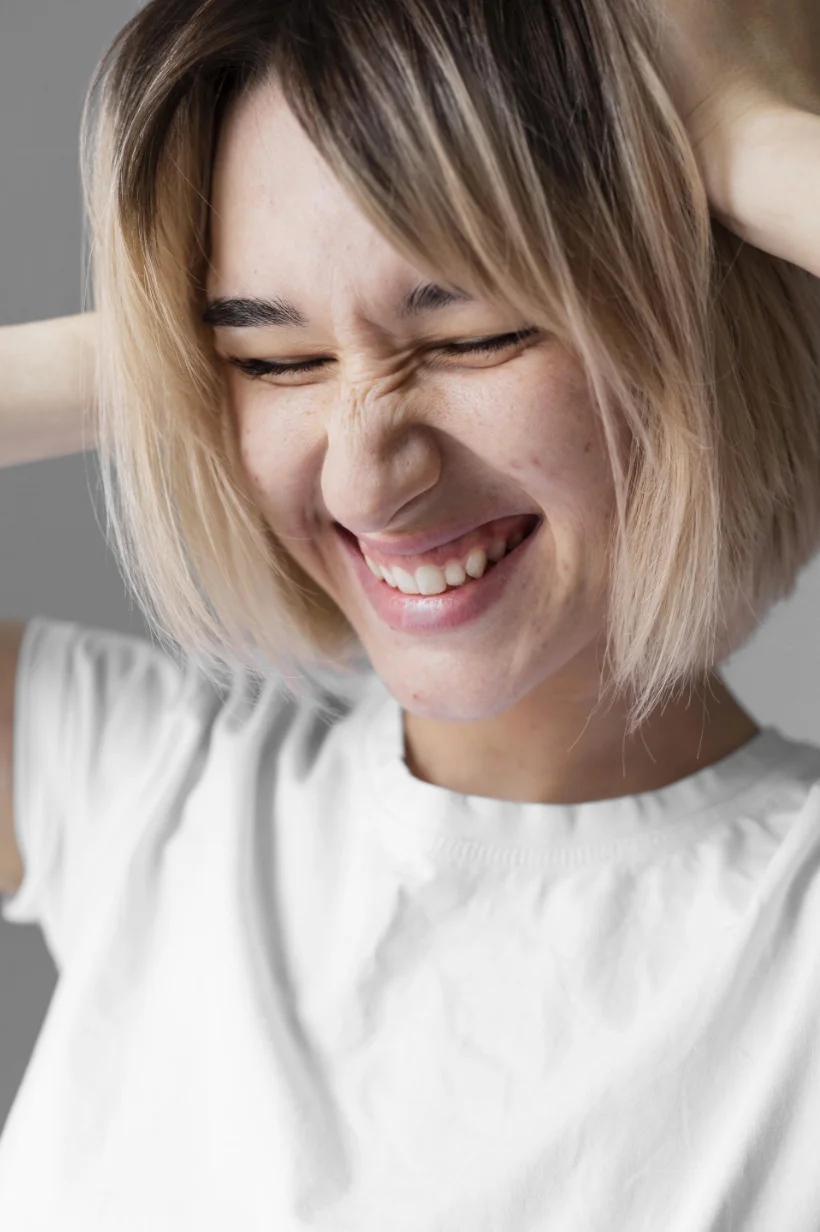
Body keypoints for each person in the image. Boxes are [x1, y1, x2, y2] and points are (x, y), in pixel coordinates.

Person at [1, 0, 819, 1226]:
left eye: (472, 334)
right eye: (274, 363)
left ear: (701, 329)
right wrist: (174, 346)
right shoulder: (146, 791)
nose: (363, 480)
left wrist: (743, 140)